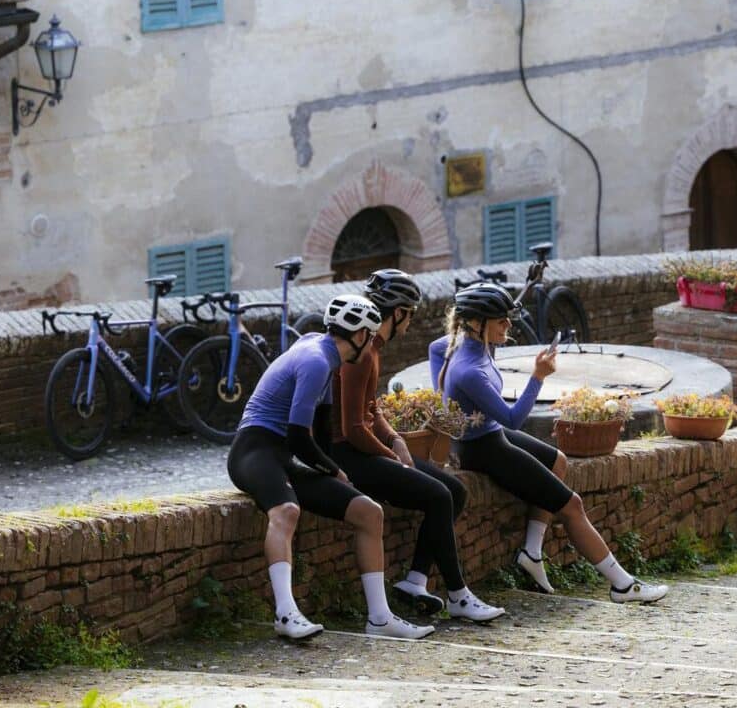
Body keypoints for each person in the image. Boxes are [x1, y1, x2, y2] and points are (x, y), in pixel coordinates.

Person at [430, 282, 668, 604]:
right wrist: (538, 377)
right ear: (477, 323)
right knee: (572, 505)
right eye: (502, 321)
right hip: (482, 449)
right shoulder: (469, 370)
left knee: (558, 461)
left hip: (487, 435)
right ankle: (622, 585)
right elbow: (512, 419)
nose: (509, 326)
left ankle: (531, 551)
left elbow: (435, 349)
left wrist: (448, 405)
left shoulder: (467, 343)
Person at [227, 294, 435, 640]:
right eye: (369, 338)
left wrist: (333, 475)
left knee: (369, 511)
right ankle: (285, 614)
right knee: (287, 511)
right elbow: (297, 436)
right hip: (255, 449)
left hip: (285, 455)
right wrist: (332, 469)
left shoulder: (326, 355)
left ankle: (380, 619)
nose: (370, 346)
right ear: (358, 337)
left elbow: (321, 430)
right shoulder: (315, 361)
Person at [330, 270, 504, 622]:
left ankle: (415, 580)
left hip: (365, 448)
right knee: (438, 496)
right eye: (409, 313)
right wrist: (392, 455)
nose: (410, 322)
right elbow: (351, 428)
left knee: (453, 490)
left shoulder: (372, 349)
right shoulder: (362, 354)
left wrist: (395, 438)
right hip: (346, 455)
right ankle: (458, 595)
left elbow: (371, 408)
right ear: (397, 315)